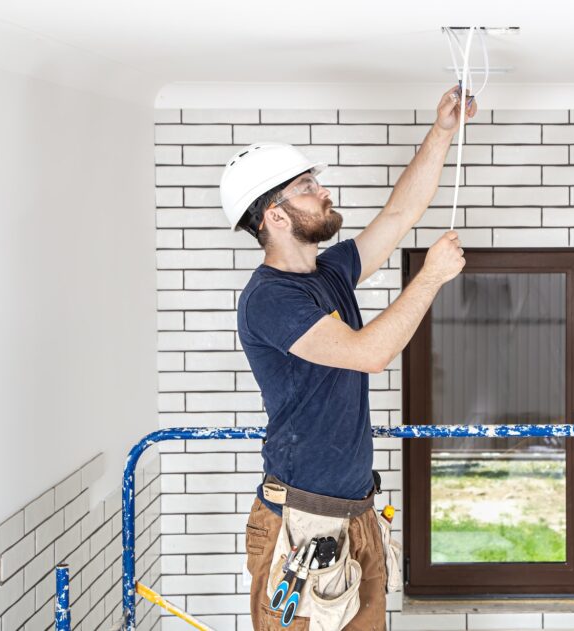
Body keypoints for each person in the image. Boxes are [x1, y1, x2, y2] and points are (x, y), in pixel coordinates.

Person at [219, 85, 478, 630]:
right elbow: (370, 354)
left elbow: (402, 212)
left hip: (354, 511)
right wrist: (429, 276)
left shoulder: (329, 273)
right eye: (308, 188)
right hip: (300, 522)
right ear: (276, 216)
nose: (325, 192)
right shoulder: (271, 300)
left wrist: (442, 132)